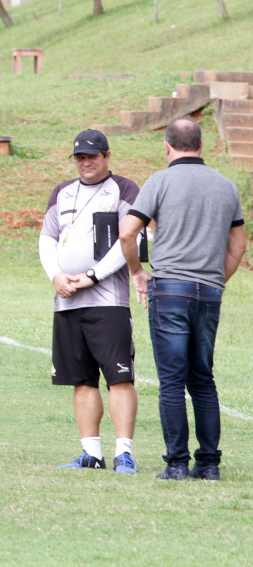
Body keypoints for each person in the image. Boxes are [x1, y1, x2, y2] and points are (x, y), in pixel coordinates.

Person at [119, 118, 246, 481]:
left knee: (172, 380)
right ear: (201, 145)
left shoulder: (160, 181)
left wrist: (137, 272)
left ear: (167, 146)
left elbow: (128, 232)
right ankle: (208, 465)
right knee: (202, 378)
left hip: (170, 287)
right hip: (209, 292)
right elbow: (238, 245)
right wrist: (217, 279)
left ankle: (176, 464)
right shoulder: (226, 185)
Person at [39, 129, 140, 474]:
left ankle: (124, 452)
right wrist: (56, 276)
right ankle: (90, 453)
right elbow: (47, 239)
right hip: (67, 301)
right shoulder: (61, 192)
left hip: (108, 300)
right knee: (81, 380)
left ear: (107, 156)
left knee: (119, 378)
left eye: (93, 156)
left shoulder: (124, 190)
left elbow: (133, 237)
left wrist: (93, 276)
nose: (86, 162)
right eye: (80, 157)